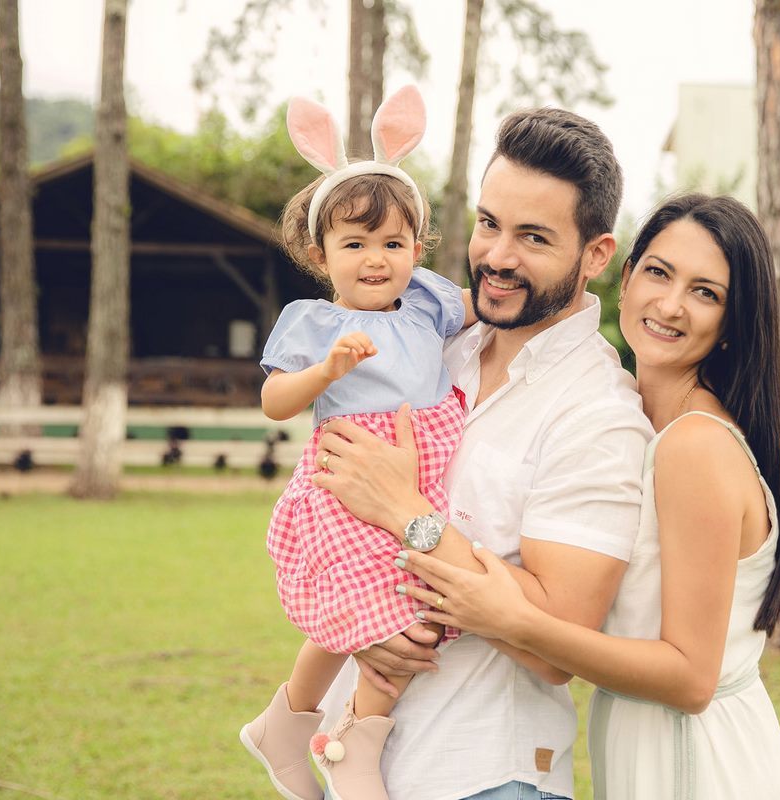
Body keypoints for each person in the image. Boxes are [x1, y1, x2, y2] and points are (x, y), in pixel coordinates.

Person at [392, 194, 780, 798]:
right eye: (659, 273)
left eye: (705, 292)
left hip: (697, 761)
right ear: (627, 275)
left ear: (732, 322)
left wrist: (511, 619)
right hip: (643, 741)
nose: (669, 305)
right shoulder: (637, 417)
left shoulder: (694, 446)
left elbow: (692, 679)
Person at [309, 108, 654, 800]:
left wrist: (406, 513)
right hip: (357, 754)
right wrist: (360, 618)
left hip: (484, 774)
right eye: (490, 223)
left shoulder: (600, 414)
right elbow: (332, 501)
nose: (497, 256)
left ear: (595, 254)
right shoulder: (436, 347)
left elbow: (558, 641)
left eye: (533, 237)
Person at [238, 86, 475, 800]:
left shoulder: (430, 301)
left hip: (421, 480)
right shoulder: (311, 321)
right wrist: (327, 369)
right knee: (390, 615)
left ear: (418, 247)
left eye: (394, 243)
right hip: (349, 484)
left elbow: (487, 318)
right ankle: (351, 741)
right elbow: (274, 401)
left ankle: (290, 725)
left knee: (397, 610)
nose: (377, 259)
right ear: (321, 252)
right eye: (355, 244)